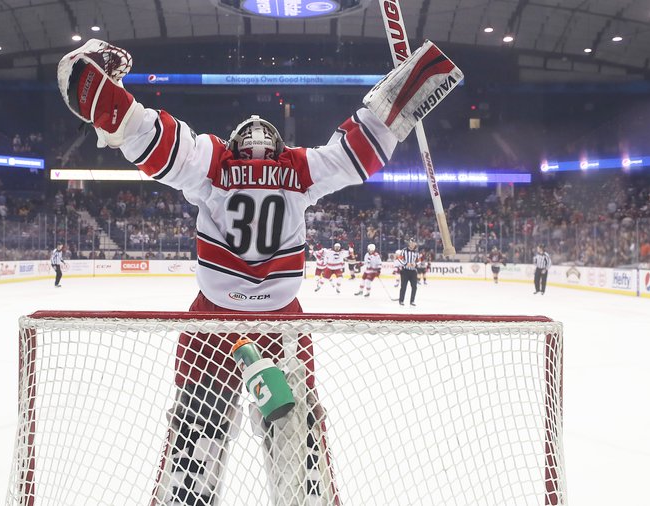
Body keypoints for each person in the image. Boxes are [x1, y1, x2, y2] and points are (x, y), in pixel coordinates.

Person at [58, 37, 460, 504]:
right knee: (297, 439)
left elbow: (149, 138)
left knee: (196, 434)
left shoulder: (213, 162)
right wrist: (395, 104)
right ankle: (305, 490)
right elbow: (357, 153)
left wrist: (109, 97)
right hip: (283, 325)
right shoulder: (301, 168)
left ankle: (189, 487)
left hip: (212, 322)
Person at [398, 238, 419, 306]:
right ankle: (401, 300)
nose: (413, 244)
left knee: (414, 287)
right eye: (411, 243)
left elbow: (419, 261)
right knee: (403, 286)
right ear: (409, 244)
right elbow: (399, 259)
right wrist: (406, 263)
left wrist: (415, 264)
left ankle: (412, 301)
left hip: (413, 272)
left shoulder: (416, 252)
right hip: (405, 271)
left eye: (414, 243)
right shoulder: (404, 251)